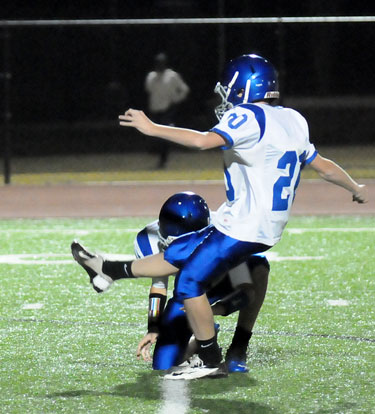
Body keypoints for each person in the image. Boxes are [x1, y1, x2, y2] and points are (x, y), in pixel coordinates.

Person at [77, 53, 368, 380]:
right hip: (260, 224)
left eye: (227, 90)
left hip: (244, 225)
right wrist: (354, 186)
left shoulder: (247, 116)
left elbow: (203, 141)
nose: (224, 98)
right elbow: (323, 165)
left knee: (188, 283)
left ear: (243, 87)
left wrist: (152, 127)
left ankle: (209, 358)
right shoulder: (292, 119)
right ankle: (107, 271)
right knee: (180, 251)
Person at [72, 192, 270, 375]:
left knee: (259, 266)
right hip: (187, 292)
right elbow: (159, 285)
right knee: (163, 365)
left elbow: (246, 294)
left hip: (220, 283)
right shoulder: (149, 240)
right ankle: (202, 338)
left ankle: (238, 347)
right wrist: (154, 327)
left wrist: (212, 311)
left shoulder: (224, 234)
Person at [145, 52, 190, 169]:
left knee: (164, 135)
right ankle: (159, 156)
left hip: (167, 109)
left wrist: (176, 100)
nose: (159, 65)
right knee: (154, 135)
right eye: (157, 63)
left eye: (161, 63)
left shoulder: (172, 76)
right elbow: (149, 90)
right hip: (154, 110)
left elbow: (184, 89)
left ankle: (163, 159)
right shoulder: (151, 76)